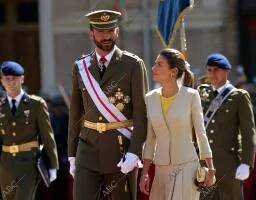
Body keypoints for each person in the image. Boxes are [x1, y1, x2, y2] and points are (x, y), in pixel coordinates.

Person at [68, 10, 149, 200]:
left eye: (111, 31)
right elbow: (75, 112)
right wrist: (72, 154)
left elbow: (142, 113)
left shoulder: (133, 64)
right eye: (101, 31)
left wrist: (134, 152)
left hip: (120, 150)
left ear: (117, 31)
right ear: (91, 33)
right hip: (87, 149)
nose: (107, 36)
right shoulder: (81, 66)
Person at [139, 48, 215, 200]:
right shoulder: (150, 98)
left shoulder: (191, 96)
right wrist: (145, 172)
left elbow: (201, 133)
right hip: (160, 169)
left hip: (186, 167)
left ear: (173, 72)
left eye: (159, 64)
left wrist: (211, 167)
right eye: (154, 64)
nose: (153, 68)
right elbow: (150, 139)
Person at [198, 53, 256, 200]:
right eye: (209, 70)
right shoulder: (202, 93)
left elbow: (248, 131)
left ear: (226, 71)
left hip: (228, 163)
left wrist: (246, 162)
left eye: (216, 70)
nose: (212, 74)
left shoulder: (238, 96)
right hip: (204, 163)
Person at [0, 61, 59, 200]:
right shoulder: (1, 106)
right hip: (6, 163)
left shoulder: (36, 104)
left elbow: (47, 136)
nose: (10, 82)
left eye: (14, 78)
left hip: (28, 163)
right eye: (7, 79)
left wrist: (52, 165)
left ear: (22, 79)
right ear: (2, 81)